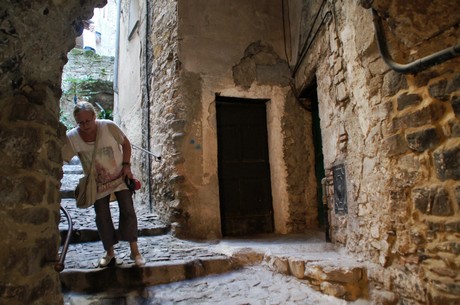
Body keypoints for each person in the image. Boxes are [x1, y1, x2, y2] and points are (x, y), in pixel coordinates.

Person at [62, 101, 146, 267]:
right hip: (97, 184)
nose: (85, 125)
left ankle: (135, 251)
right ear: (76, 122)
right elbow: (62, 157)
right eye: (80, 122)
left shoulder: (108, 127)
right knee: (102, 216)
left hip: (119, 178)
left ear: (94, 116)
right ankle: (109, 253)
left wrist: (126, 166)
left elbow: (126, 144)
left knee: (128, 211)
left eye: (88, 121)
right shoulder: (72, 137)